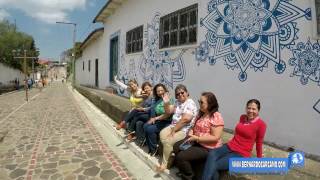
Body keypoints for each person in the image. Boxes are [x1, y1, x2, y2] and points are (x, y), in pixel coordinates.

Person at [202, 99, 267, 180]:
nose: (250, 111)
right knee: (212, 154)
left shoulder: (261, 125)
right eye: (248, 108)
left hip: (242, 153)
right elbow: (239, 133)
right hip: (230, 146)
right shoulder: (242, 117)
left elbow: (259, 143)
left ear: (258, 110)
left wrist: (259, 158)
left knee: (214, 165)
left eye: (254, 109)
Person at [172, 92, 224, 180]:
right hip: (195, 140)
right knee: (176, 146)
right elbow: (193, 126)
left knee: (181, 157)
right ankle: (185, 168)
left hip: (207, 147)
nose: (199, 104)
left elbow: (215, 137)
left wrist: (198, 138)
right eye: (199, 101)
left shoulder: (216, 116)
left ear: (210, 103)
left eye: (202, 102)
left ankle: (188, 176)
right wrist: (191, 132)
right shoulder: (201, 113)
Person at [156, 84, 198, 172]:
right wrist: (166, 103)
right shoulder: (177, 102)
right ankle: (170, 155)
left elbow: (185, 119)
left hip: (184, 130)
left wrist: (174, 130)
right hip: (173, 126)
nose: (180, 95)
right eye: (177, 94)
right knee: (162, 134)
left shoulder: (190, 103)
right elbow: (168, 111)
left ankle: (165, 164)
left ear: (187, 93)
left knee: (168, 141)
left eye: (182, 92)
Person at [143, 83, 173, 155]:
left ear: (165, 90)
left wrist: (155, 119)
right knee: (145, 126)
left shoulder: (169, 99)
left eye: (161, 90)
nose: (160, 92)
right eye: (158, 91)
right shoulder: (157, 100)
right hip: (159, 120)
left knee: (150, 129)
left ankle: (154, 148)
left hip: (167, 121)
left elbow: (168, 114)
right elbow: (152, 109)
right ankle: (150, 146)